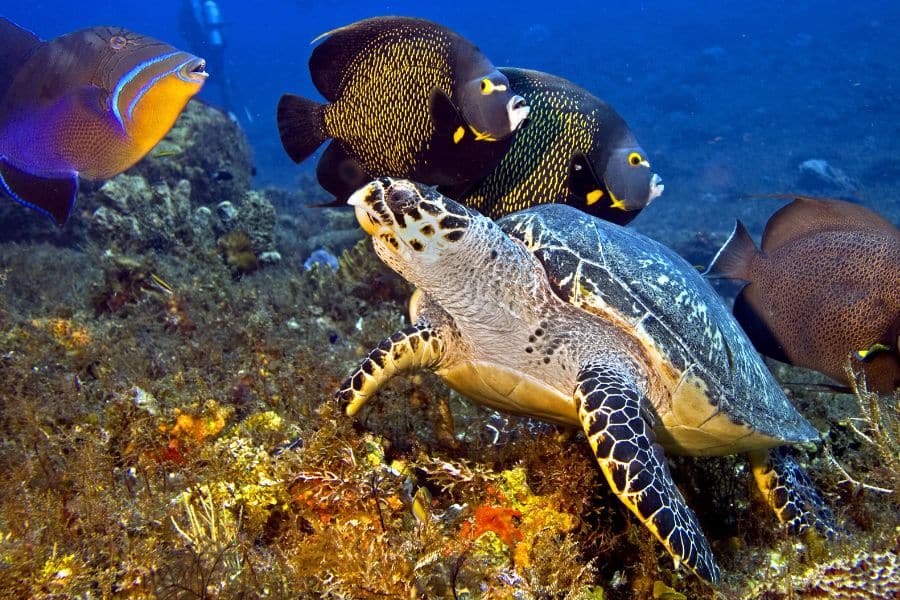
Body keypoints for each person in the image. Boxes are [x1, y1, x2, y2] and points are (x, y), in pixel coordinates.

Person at [179, 0, 247, 122]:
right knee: (219, 75)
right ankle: (229, 107)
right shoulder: (206, 5)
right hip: (214, 45)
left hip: (201, 45)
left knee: (202, 74)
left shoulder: (191, 6)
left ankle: (197, 103)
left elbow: (184, 28)